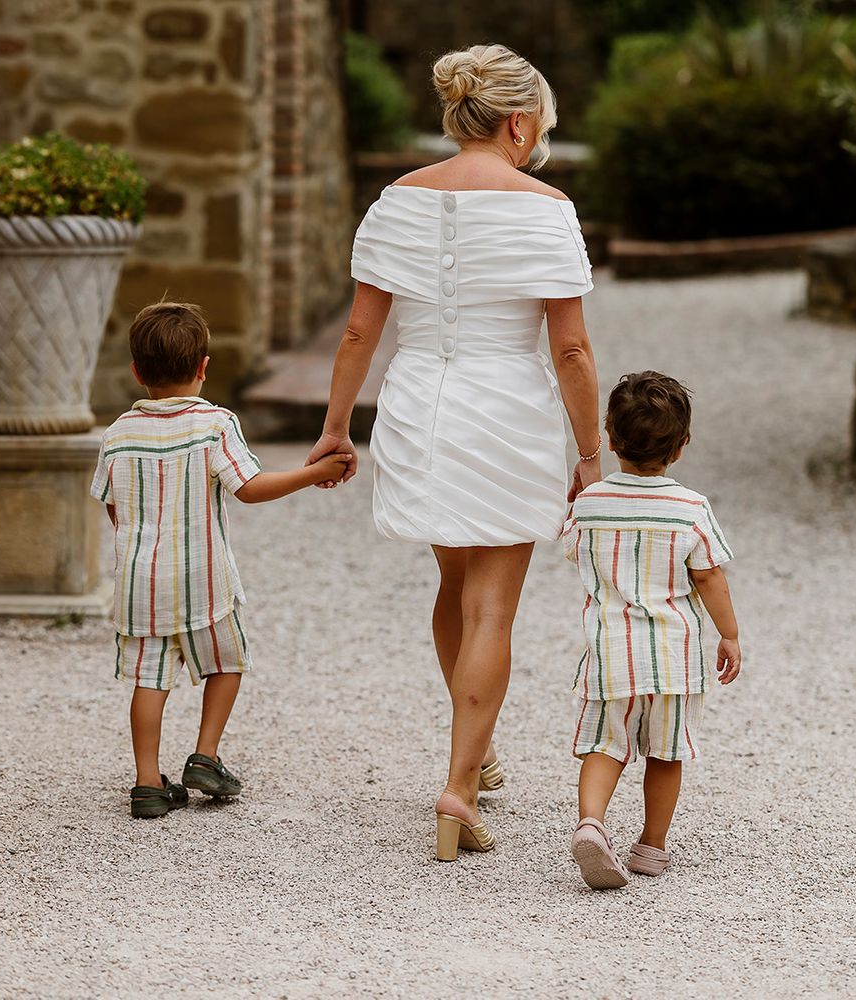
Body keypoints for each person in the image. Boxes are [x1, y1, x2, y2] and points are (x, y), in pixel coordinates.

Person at [305, 44, 601, 861]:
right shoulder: (545, 207)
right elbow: (571, 352)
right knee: (493, 605)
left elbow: (363, 328)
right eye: (540, 120)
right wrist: (590, 454)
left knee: (454, 581)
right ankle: (459, 788)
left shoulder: (396, 199)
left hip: (420, 406)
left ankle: (477, 752)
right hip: (506, 407)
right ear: (516, 121)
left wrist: (336, 426)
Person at [91, 301, 351, 819]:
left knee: (149, 680)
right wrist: (310, 473)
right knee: (227, 663)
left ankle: (147, 783)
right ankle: (205, 756)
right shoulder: (214, 425)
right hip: (205, 582)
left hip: (142, 586)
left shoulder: (117, 433)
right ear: (204, 366)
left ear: (137, 371)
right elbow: (249, 488)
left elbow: (114, 508)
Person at [562, 372, 742, 888]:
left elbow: (574, 549)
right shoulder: (689, 508)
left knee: (604, 746)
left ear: (611, 439)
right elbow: (708, 575)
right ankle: (651, 847)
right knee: (666, 753)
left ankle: (592, 823)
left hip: (609, 652)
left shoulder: (590, 503)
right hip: (673, 658)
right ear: (681, 447)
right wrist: (729, 634)